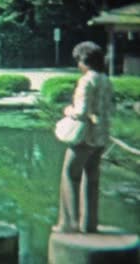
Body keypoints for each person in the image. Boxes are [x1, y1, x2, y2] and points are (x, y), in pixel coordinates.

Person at [53, 41, 114, 233]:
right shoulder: (105, 79)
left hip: (84, 136)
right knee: (92, 178)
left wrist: (67, 110)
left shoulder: (87, 80)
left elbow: (80, 111)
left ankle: (69, 223)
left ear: (84, 60)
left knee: (70, 174)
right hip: (101, 135)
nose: (77, 65)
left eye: (78, 61)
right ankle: (89, 224)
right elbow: (110, 108)